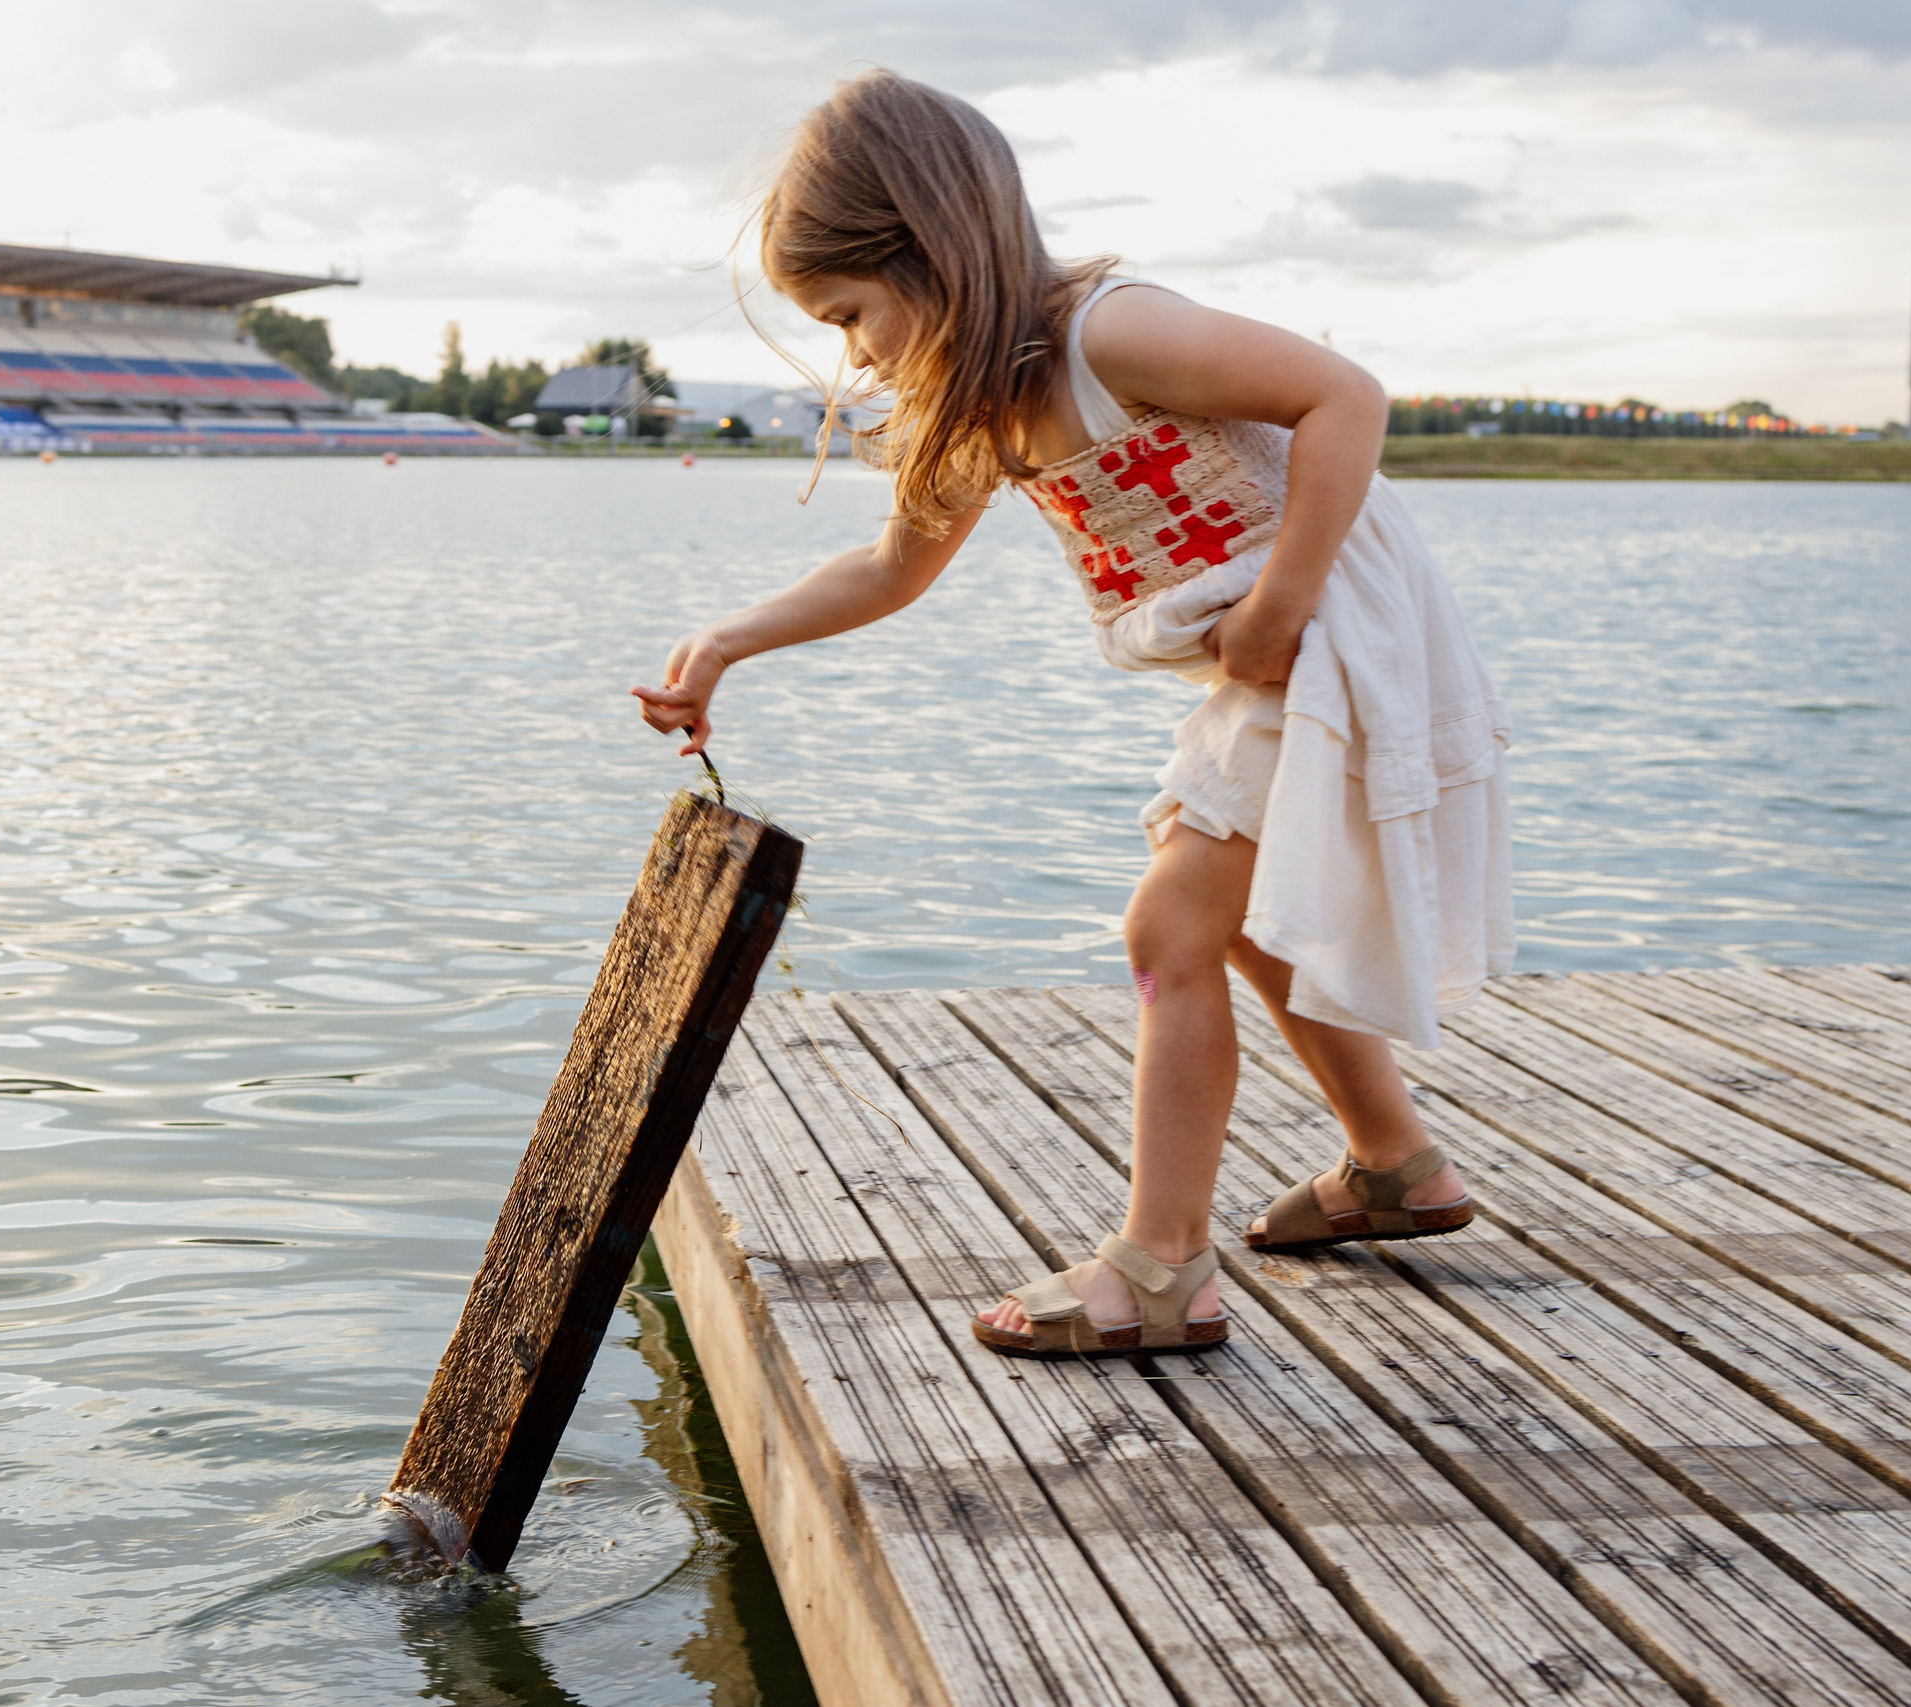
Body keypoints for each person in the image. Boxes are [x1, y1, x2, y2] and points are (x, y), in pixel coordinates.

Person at [631, 70, 1512, 1360]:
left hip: (1339, 639)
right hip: (1281, 654)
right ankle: (1394, 1165)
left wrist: (1280, 603)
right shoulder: (983, 405)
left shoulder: (1112, 332)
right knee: (1240, 917)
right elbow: (888, 569)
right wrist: (725, 641)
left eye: (853, 312)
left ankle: (1161, 1271)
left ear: (928, 250)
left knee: (1168, 924)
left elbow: (1347, 398)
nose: (856, 353)